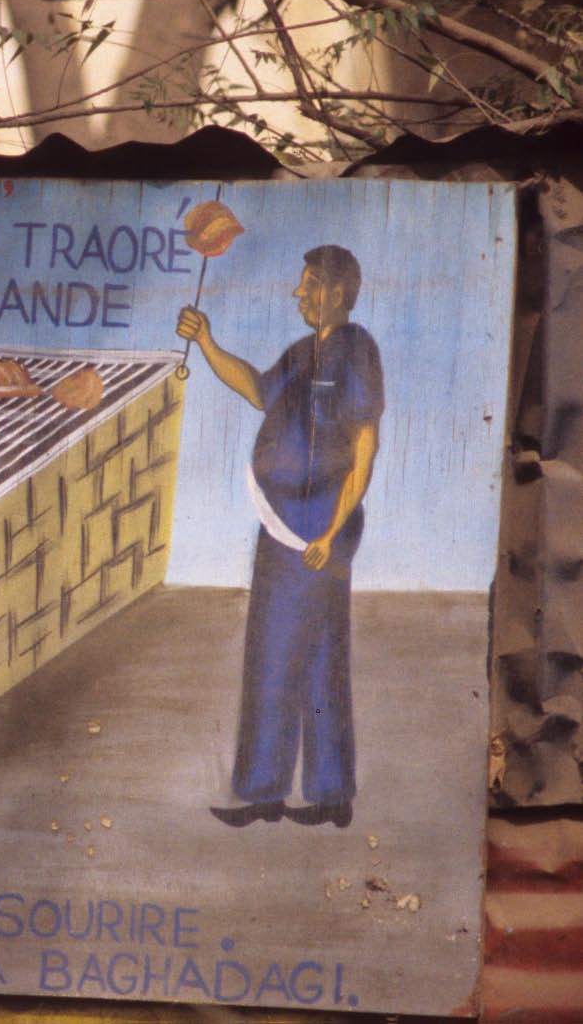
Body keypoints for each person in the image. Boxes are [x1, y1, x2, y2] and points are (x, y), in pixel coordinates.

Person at [175, 245, 382, 829]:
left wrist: (335, 528)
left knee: (308, 655)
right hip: (281, 524)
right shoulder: (299, 352)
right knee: (282, 652)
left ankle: (317, 793)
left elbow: (364, 446)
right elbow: (255, 388)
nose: (298, 295)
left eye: (308, 285)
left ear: (336, 292)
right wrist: (209, 342)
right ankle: (288, 794)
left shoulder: (357, 350)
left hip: (320, 531)